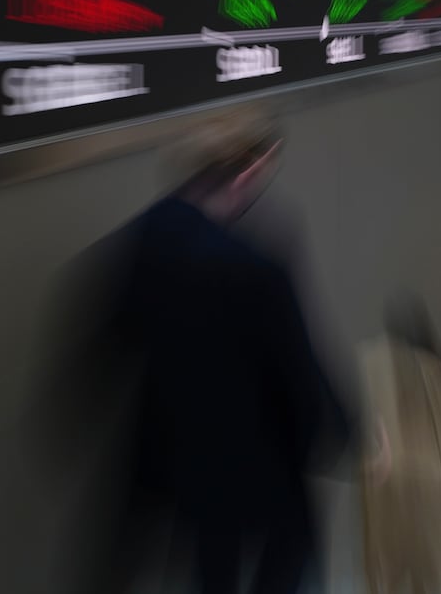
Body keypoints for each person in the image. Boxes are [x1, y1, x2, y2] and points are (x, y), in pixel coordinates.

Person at [95, 108, 355, 594]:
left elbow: (105, 350)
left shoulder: (142, 241)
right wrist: (347, 434)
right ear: (251, 169)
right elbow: (299, 373)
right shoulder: (256, 270)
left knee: (212, 569)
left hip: (176, 472)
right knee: (289, 554)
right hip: (255, 474)